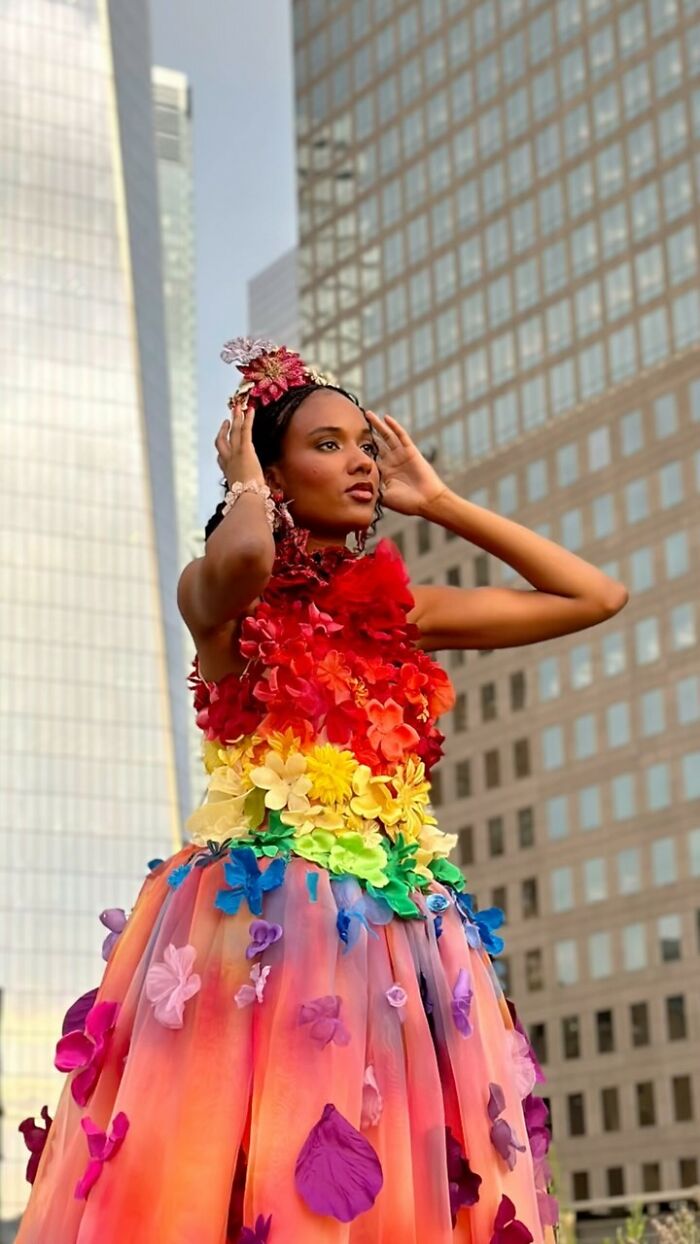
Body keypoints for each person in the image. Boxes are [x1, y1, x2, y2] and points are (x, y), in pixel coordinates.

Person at [17, 338, 628, 1243]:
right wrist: (245, 485)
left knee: (394, 1174)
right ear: (270, 469)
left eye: (365, 447)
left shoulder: (402, 613)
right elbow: (244, 561)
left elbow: (595, 597)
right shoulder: (221, 600)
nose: (361, 463)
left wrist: (441, 502)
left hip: (402, 929)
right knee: (251, 1174)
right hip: (264, 927)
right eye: (329, 445)